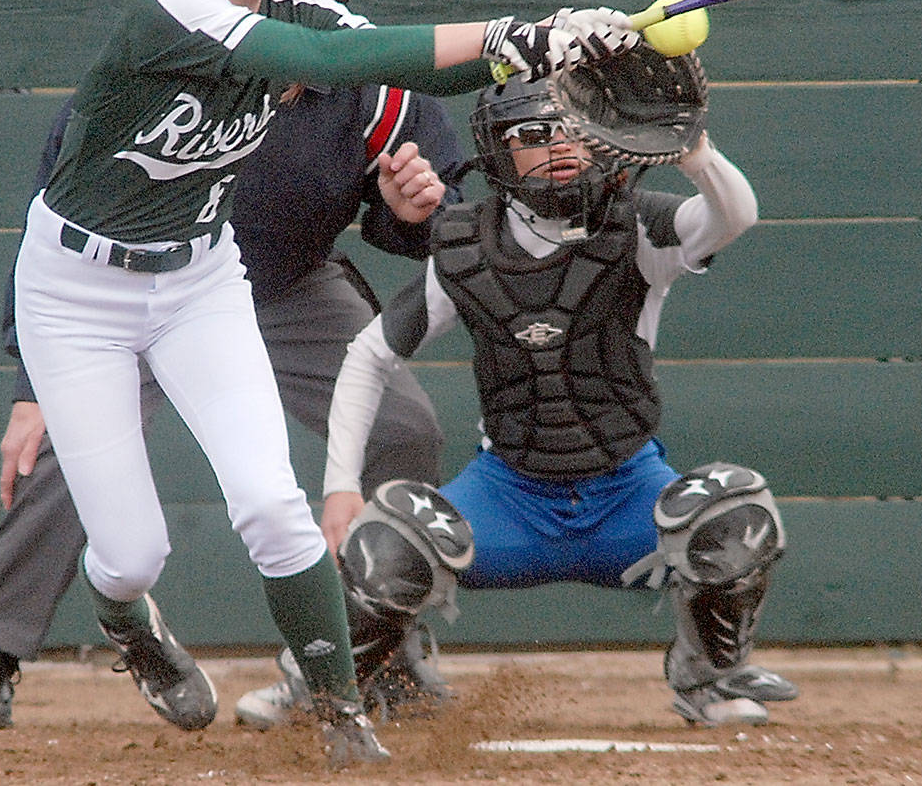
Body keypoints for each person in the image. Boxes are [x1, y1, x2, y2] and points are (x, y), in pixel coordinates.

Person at [3, 0, 636, 767]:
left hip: (200, 281)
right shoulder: (169, 3)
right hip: (76, 294)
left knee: (272, 504)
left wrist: (551, 46)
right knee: (132, 551)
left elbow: (394, 55)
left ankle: (343, 710)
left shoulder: (308, 10)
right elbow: (318, 65)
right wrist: (518, 29)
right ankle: (125, 617)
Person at [0, 0, 463, 735]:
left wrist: (413, 210)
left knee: (402, 428)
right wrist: (30, 379)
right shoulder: (170, 50)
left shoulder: (368, 80)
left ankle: (382, 637)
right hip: (113, 292)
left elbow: (430, 220)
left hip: (284, 286)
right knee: (63, 459)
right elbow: (58, 220)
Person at [237, 46, 800, 732]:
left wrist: (694, 150)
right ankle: (333, 685)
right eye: (531, 136)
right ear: (497, 152)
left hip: (627, 498)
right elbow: (368, 355)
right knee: (388, 533)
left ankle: (708, 677)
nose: (557, 147)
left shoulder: (639, 225)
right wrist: (342, 483)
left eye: (572, 130)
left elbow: (734, 215)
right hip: (510, 502)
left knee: (735, 508)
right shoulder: (467, 247)